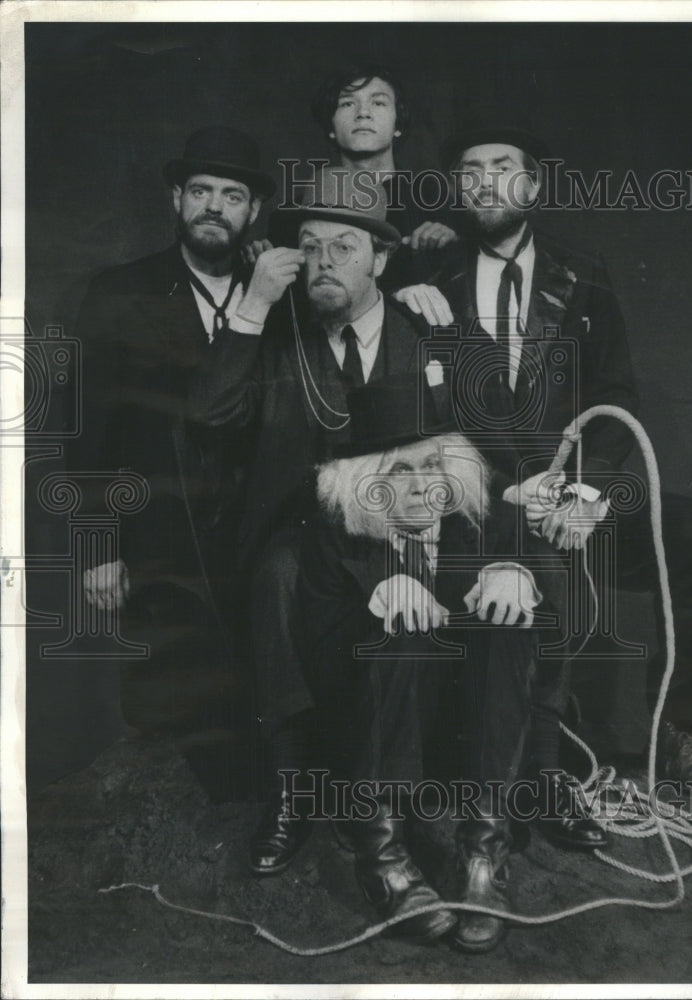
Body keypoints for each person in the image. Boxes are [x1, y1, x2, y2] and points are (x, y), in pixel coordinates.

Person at [396, 117, 692, 849]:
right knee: (534, 562)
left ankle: (677, 738)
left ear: (534, 183)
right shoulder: (427, 282)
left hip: (571, 489)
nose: (484, 180)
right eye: (470, 169)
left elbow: (617, 397)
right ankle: (541, 774)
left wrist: (586, 493)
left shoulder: (583, 272)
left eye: (501, 166)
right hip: (482, 502)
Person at [188, 168, 443, 875]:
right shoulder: (275, 333)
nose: (324, 262)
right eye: (310, 246)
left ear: (382, 260)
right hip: (296, 538)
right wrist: (253, 305)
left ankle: (388, 812)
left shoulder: (422, 331)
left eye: (344, 246)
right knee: (275, 578)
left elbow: (456, 457)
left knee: (413, 602)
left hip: (397, 534)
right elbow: (208, 415)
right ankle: (290, 793)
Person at [298, 373, 546, 952]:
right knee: (400, 630)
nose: (419, 487)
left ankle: (483, 853)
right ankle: (381, 856)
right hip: (374, 744)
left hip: (463, 742)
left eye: (432, 465)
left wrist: (518, 576)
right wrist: (382, 596)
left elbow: (548, 646)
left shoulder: (488, 519)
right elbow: (321, 663)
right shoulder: (335, 533)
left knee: (509, 625)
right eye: (398, 471)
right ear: (365, 484)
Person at [72, 126, 275, 749]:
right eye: (201, 190)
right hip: (160, 533)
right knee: (175, 722)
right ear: (176, 199)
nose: (215, 206)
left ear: (254, 211)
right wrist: (97, 545)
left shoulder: (280, 292)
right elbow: (85, 429)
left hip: (257, 533)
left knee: (264, 703)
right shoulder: (120, 292)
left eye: (232, 195)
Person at [303, 63, 458, 286]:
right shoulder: (302, 209)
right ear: (330, 126)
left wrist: (450, 245)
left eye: (378, 102)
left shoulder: (437, 201)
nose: (363, 113)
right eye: (347, 103)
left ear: (398, 124)